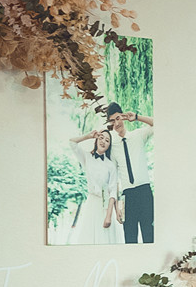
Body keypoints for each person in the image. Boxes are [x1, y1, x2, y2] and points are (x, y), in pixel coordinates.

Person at [97, 103, 155, 243]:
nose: (116, 123)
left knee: (149, 236)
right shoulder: (113, 147)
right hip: (128, 196)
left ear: (123, 117)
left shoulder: (138, 135)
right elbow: (113, 179)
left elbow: (158, 124)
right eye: (112, 121)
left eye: (118, 118)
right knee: (130, 238)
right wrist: (117, 207)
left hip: (145, 191)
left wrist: (137, 117)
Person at [61, 129, 124, 245]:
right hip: (92, 203)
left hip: (105, 206)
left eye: (107, 140)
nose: (103, 141)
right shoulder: (87, 157)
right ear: (96, 140)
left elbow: (113, 191)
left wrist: (109, 216)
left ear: (109, 146)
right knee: (89, 238)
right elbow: (72, 142)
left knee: (104, 239)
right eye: (101, 138)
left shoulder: (110, 165)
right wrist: (88, 136)